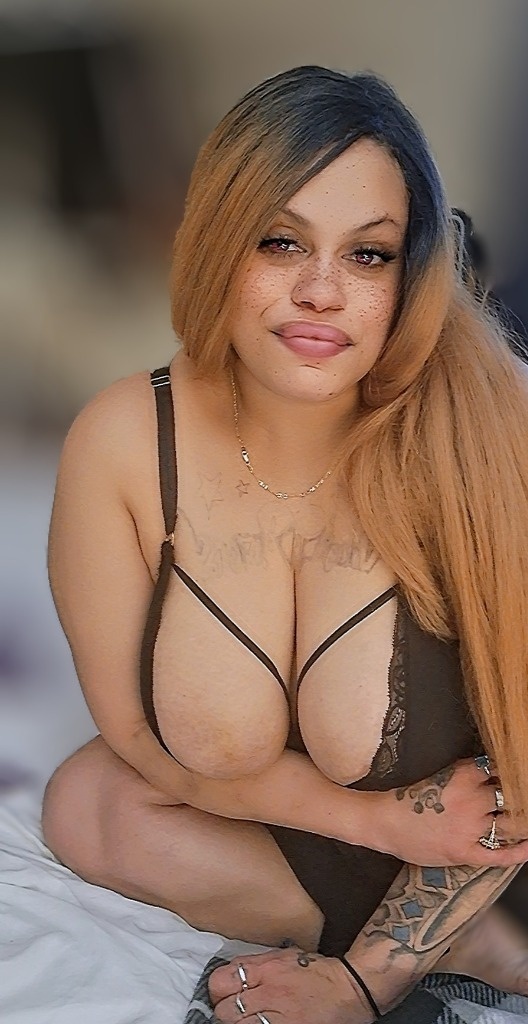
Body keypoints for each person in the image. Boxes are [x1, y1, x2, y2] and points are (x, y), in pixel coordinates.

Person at [41, 66, 528, 1023]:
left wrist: (367, 981)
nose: (320, 291)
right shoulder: (124, 439)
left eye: (369, 255)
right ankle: (464, 944)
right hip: (363, 838)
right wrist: (377, 822)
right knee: (90, 799)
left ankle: (472, 936)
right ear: (217, 242)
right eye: (281, 241)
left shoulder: (491, 423)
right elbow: (136, 734)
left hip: (503, 842)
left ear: (410, 273)